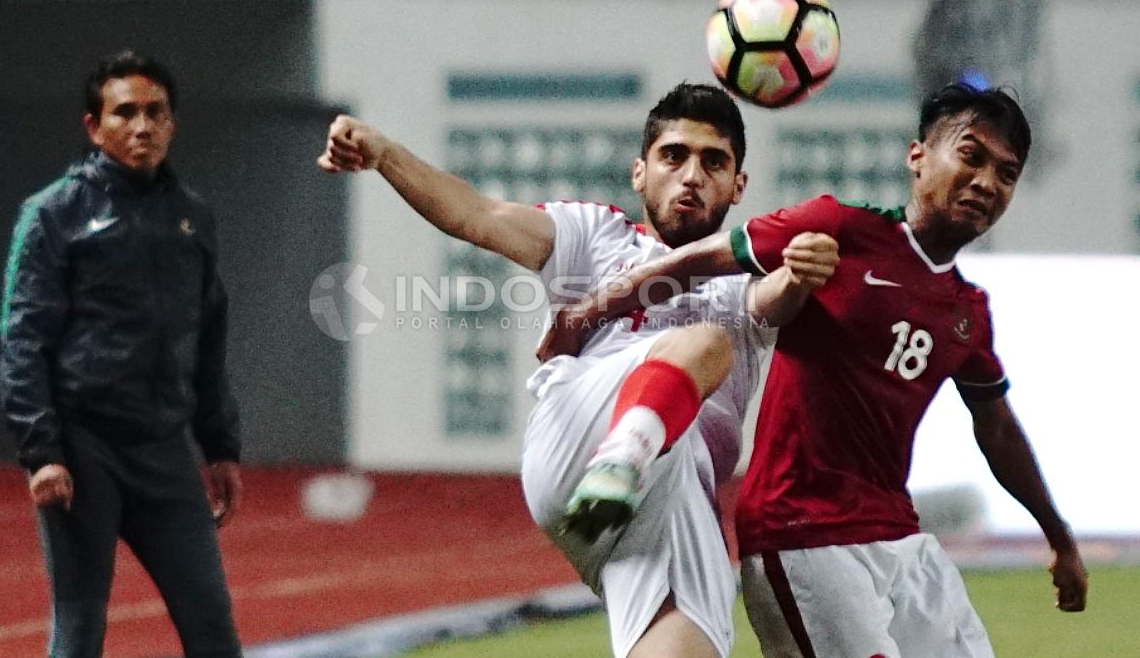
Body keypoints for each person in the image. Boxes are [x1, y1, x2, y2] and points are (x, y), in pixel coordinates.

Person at [538, 84, 1089, 657]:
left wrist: (1059, 535)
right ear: (918, 157)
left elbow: (996, 428)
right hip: (803, 535)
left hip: (900, 536)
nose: (985, 183)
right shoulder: (840, 228)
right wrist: (589, 310)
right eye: (971, 156)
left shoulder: (968, 313)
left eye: (1007, 173)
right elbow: (697, 262)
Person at [317, 83, 838, 658]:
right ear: (640, 173)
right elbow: (477, 215)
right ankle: (623, 456)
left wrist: (803, 269)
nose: (692, 175)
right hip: (583, 445)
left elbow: (780, 297)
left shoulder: (744, 277)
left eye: (713, 162)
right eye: (674, 156)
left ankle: (631, 464)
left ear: (739, 186)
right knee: (705, 340)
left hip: (671, 505)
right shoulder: (592, 235)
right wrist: (386, 153)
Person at [0, 50, 244, 658]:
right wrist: (42, 453)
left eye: (155, 112)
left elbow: (208, 336)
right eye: (125, 113)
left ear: (173, 123)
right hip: (85, 452)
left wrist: (220, 446)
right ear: (94, 126)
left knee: (213, 631)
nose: (142, 127)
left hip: (164, 452)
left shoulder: (192, 216)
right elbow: (23, 337)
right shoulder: (53, 215)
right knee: (80, 633)